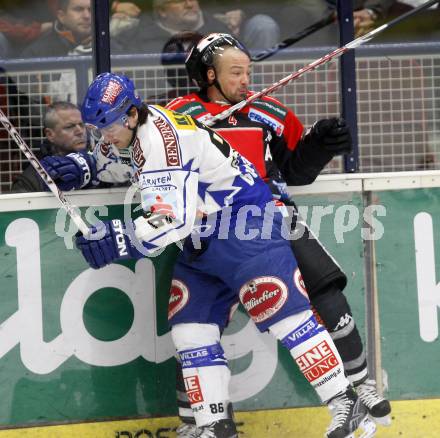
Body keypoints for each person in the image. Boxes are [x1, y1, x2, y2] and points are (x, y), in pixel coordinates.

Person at [65, 72, 373, 438]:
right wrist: (79, 167)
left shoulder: (162, 141)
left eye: (109, 126)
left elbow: (172, 221)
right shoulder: (128, 130)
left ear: (131, 114)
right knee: (190, 329)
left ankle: (346, 403)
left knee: (287, 316)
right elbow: (112, 160)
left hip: (244, 224)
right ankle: (215, 425)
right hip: (202, 239)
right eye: (98, 128)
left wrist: (119, 240)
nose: (105, 135)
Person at [164, 33, 392, 437]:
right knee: (195, 327)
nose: (245, 79)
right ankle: (201, 423)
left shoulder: (267, 109)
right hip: (212, 230)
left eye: (248, 71)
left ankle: (359, 385)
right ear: (209, 74)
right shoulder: (180, 115)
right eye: (236, 72)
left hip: (272, 218)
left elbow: (296, 170)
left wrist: (321, 145)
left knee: (325, 293)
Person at [113, 0, 279, 55]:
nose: (190, 4)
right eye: (180, 1)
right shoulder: (137, 38)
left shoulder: (221, 32)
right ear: (162, 11)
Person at [10, 101, 95, 193]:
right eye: (69, 127)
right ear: (50, 134)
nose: (80, 132)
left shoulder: (103, 160)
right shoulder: (32, 180)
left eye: (82, 125)